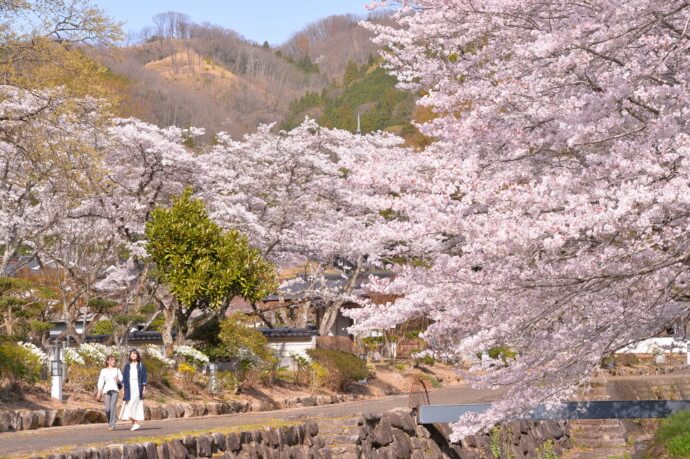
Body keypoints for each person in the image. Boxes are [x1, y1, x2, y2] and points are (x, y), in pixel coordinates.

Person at [119, 348, 147, 431]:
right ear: (130, 355)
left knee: (135, 403)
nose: (133, 355)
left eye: (135, 354)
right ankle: (134, 423)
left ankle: (135, 422)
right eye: (132, 354)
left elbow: (144, 377)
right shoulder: (127, 366)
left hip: (138, 386)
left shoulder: (141, 365)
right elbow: (124, 378)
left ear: (137, 355)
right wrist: (123, 389)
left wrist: (144, 389)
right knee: (129, 403)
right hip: (128, 386)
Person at [96, 355, 123, 431]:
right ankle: (111, 421)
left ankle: (112, 425)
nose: (113, 361)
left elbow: (122, 379)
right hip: (106, 391)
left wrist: (118, 380)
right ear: (108, 361)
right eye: (111, 360)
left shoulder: (117, 370)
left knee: (112, 407)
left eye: (114, 360)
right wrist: (99, 392)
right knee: (107, 409)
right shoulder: (103, 370)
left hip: (115, 390)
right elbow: (100, 381)